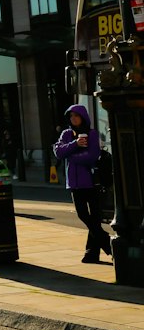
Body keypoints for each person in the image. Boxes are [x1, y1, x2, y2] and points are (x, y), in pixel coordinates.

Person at [53, 103, 111, 263]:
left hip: (91, 182)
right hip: (74, 183)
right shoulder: (66, 134)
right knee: (83, 215)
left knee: (94, 217)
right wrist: (75, 145)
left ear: (83, 117)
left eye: (76, 116)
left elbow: (92, 155)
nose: (73, 119)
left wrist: (71, 157)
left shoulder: (91, 134)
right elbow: (58, 152)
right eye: (71, 116)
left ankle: (91, 254)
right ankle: (106, 242)